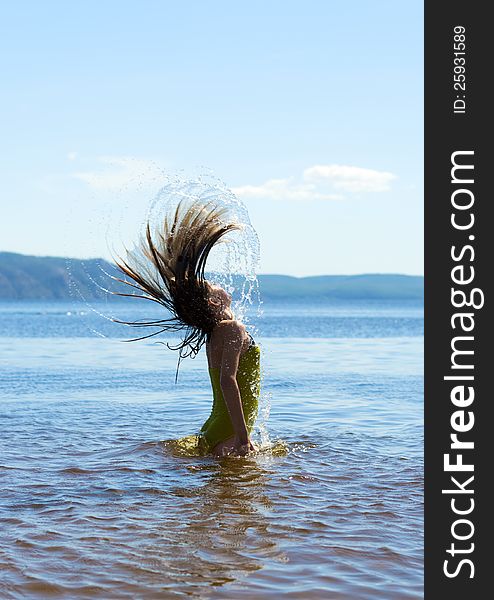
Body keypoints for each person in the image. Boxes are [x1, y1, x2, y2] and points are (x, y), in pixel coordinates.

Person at [112, 199, 260, 457]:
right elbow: (228, 381)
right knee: (233, 495)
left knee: (218, 493)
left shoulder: (215, 333)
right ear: (213, 301)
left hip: (216, 428)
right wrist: (243, 437)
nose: (216, 283)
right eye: (211, 284)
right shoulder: (233, 328)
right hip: (229, 431)